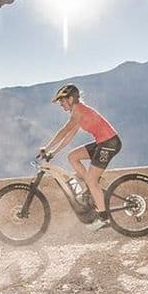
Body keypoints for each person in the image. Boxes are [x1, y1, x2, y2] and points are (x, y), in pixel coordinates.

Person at [40, 84, 122, 231]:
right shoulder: (79, 112)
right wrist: (54, 152)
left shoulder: (78, 111)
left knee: (91, 181)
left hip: (109, 143)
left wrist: (47, 147)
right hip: (103, 142)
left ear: (71, 99)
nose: (61, 104)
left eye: (62, 101)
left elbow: (64, 130)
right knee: (73, 156)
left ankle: (104, 218)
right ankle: (91, 187)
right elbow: (69, 135)